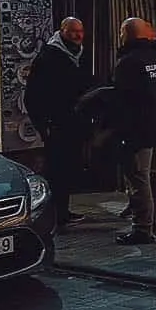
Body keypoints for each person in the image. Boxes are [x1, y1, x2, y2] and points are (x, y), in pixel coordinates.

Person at [112, 18, 156, 245]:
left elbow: (122, 100)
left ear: (129, 35)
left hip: (139, 129)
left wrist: (118, 131)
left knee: (138, 178)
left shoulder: (128, 62)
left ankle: (142, 228)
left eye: (122, 32)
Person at [25, 17, 93, 229]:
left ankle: (62, 212)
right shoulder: (50, 57)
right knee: (56, 171)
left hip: (72, 123)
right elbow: (33, 95)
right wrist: (43, 124)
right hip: (56, 124)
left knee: (68, 169)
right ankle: (53, 215)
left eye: (80, 31)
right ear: (62, 31)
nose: (78, 35)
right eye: (73, 31)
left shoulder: (78, 55)